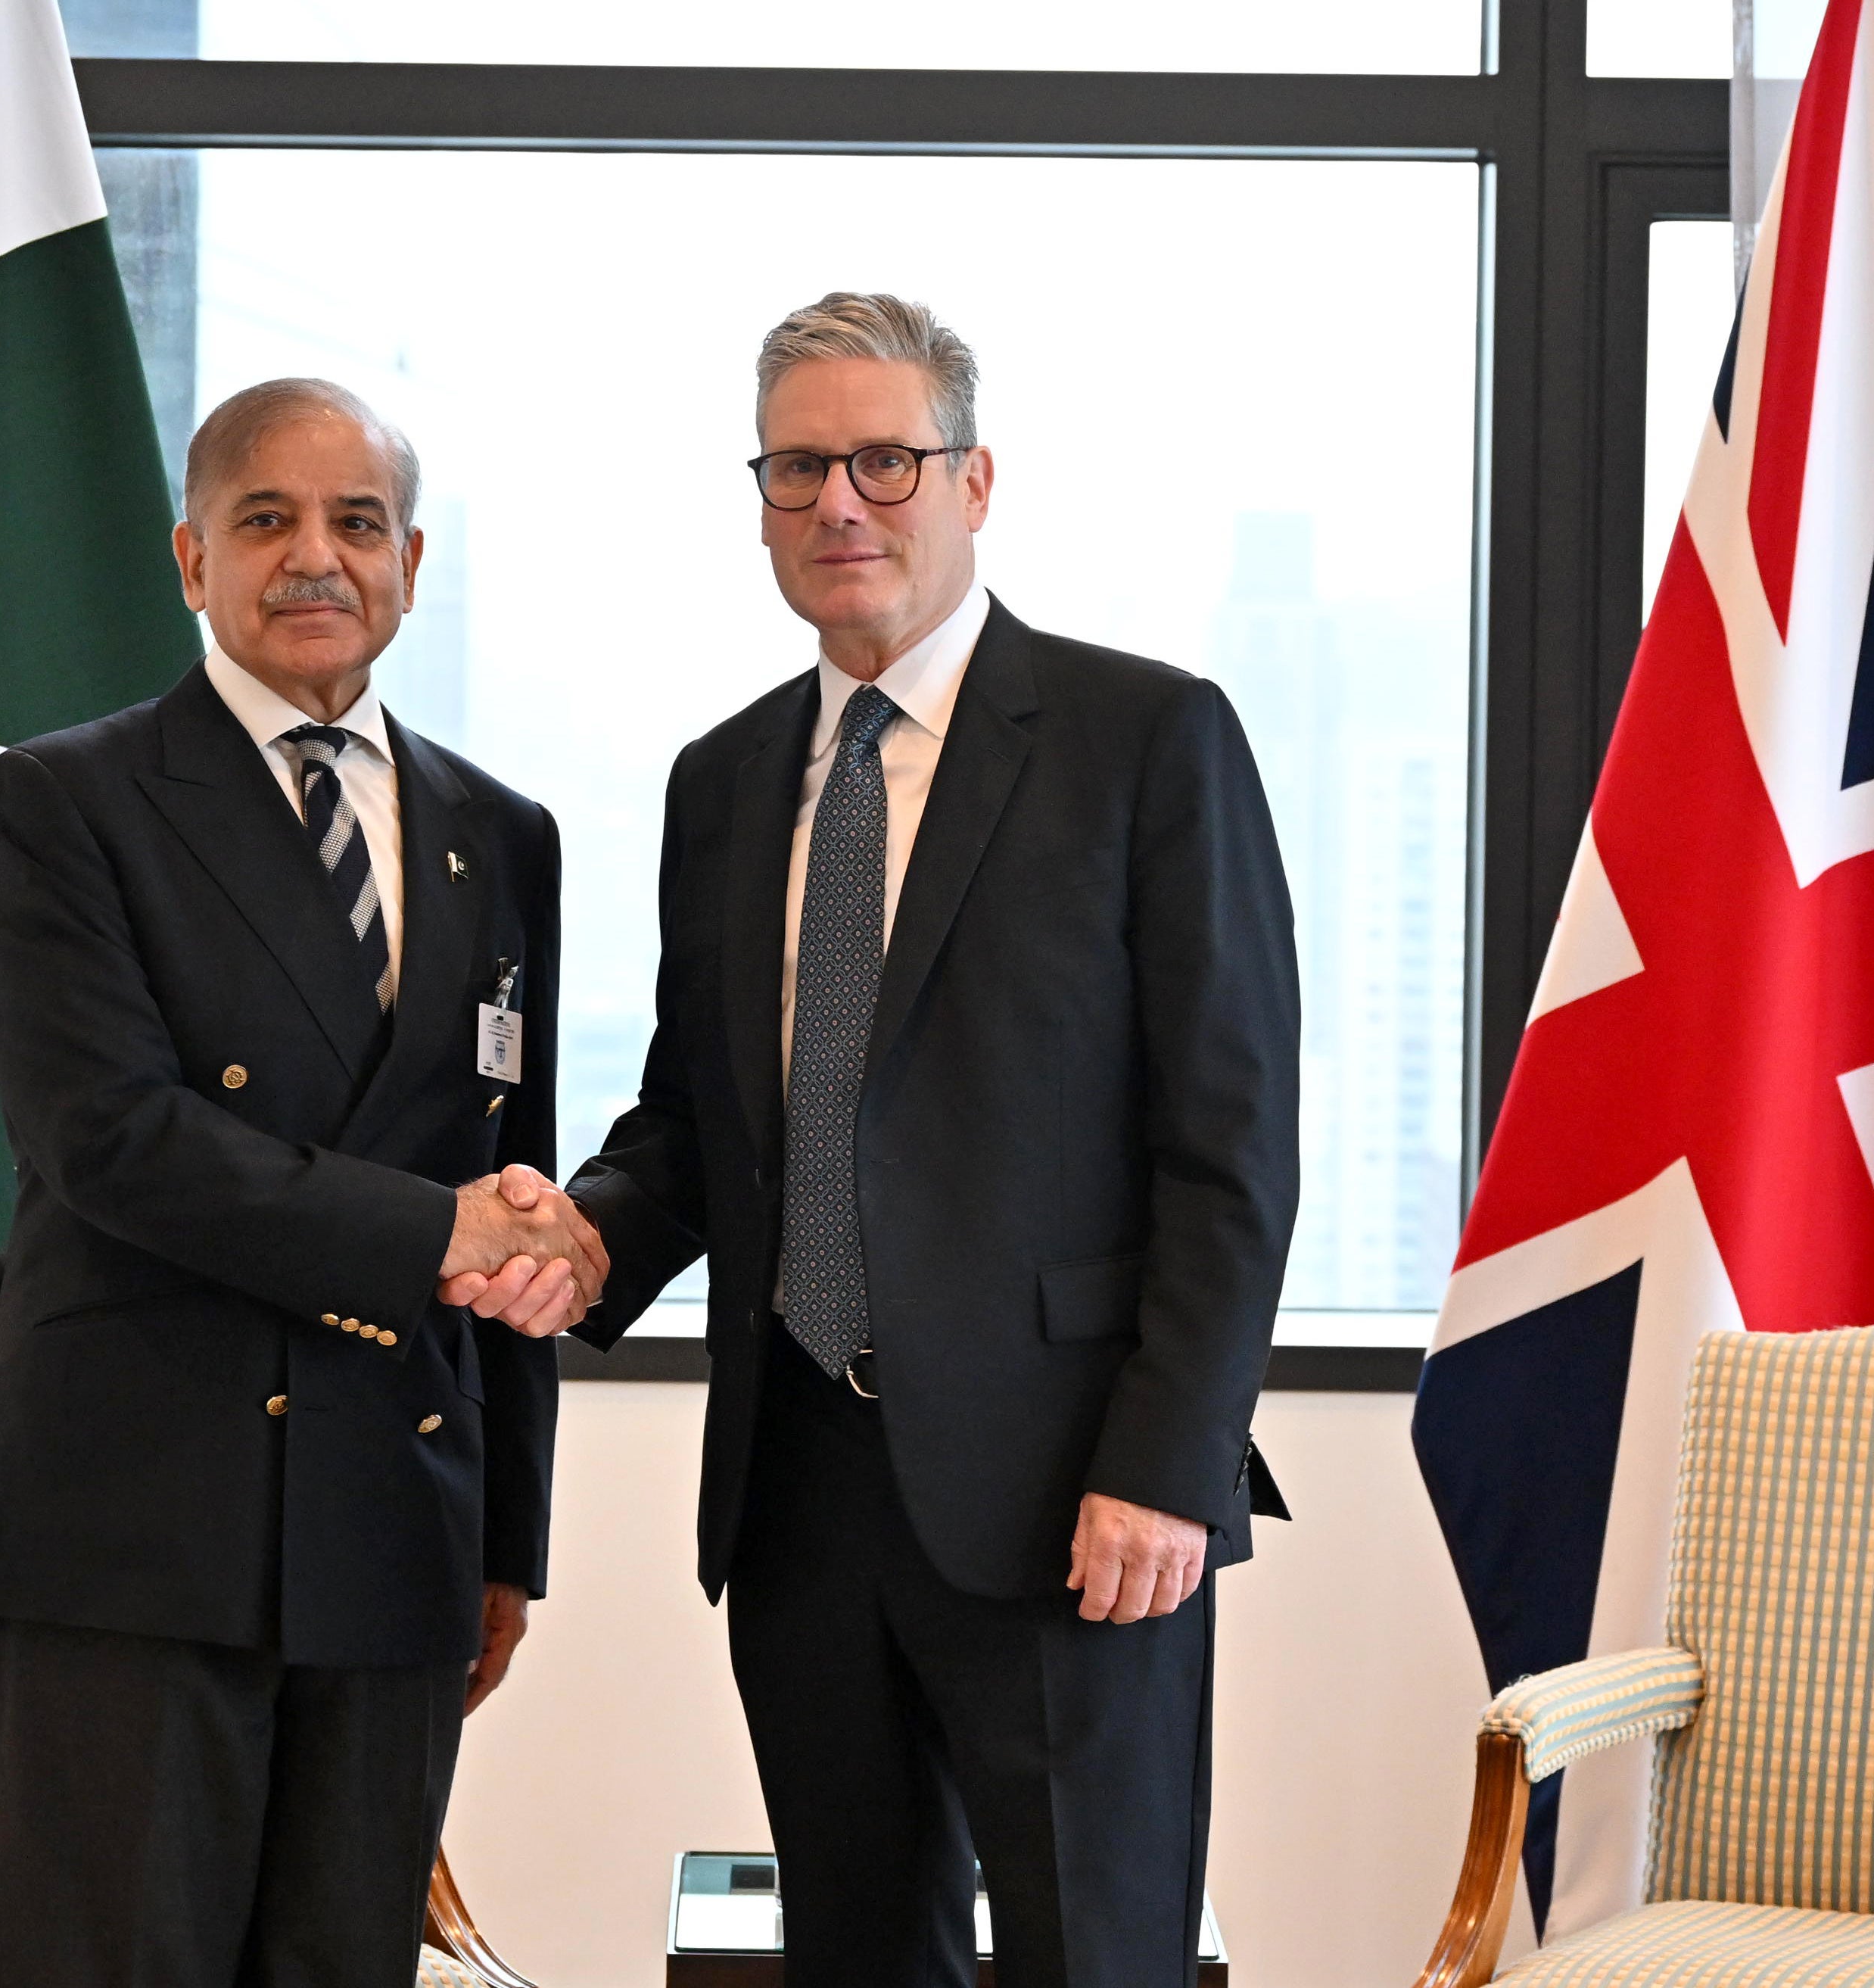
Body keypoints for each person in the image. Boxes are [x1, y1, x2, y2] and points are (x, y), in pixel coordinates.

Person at [453, 293, 1299, 1986]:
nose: (840, 502)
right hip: (801, 1493)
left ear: (973, 480)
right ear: (759, 498)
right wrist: (595, 1231)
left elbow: (1232, 1144)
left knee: (1092, 1954)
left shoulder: (1145, 739)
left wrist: (1164, 1459)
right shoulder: (719, 779)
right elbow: (702, 1118)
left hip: (1072, 1492)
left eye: (884, 460)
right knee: (854, 1952)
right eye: (796, 468)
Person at [0, 377, 604, 1988]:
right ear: (190, 557)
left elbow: (501, 1168)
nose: (315, 557)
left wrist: (504, 1536)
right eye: (266, 519)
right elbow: (105, 1135)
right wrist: (434, 1227)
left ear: (410, 560)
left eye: (355, 522)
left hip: (394, 1519)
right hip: (136, 1527)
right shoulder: (65, 800)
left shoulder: (499, 832)